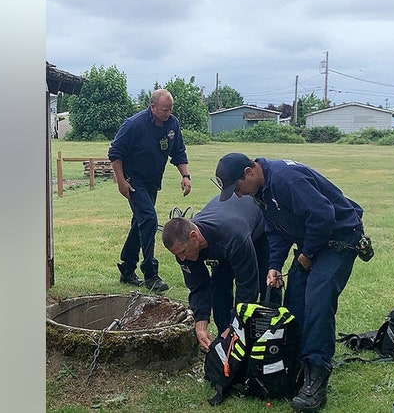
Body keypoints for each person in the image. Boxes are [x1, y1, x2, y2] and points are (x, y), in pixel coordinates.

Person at [214, 153, 366, 412]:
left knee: (317, 298)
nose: (239, 195)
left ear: (249, 172)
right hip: (313, 241)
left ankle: (316, 375)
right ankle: (294, 367)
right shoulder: (261, 192)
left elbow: (324, 215)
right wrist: (274, 265)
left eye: (237, 188)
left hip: (340, 238)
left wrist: (306, 255)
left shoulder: (286, 179)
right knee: (294, 301)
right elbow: (277, 230)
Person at [161, 194, 278, 350]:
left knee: (265, 280)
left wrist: (235, 325)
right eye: (177, 254)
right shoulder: (184, 250)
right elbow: (198, 286)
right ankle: (226, 339)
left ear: (194, 236)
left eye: (183, 252)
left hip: (257, 225)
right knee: (220, 283)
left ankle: (269, 336)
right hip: (223, 231)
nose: (182, 258)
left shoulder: (234, 237)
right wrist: (201, 323)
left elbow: (247, 285)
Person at [108, 88, 191, 292]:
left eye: (170, 109)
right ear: (152, 107)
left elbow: (178, 151)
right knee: (149, 220)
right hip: (133, 179)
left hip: (153, 181)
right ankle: (150, 274)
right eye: (164, 109)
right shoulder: (134, 125)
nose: (168, 113)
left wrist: (185, 176)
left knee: (140, 222)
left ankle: (127, 269)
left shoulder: (172, 124)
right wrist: (121, 182)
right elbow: (115, 154)